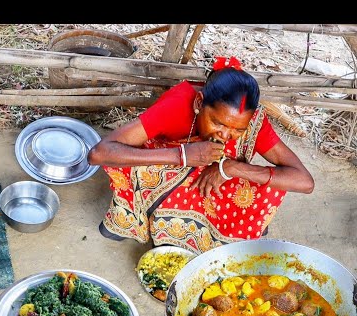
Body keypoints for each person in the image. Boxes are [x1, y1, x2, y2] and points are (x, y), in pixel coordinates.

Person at [87, 56, 315, 254]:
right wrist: (182, 156)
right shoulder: (178, 103)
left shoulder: (254, 120)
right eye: (217, 123)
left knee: (271, 185)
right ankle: (133, 218)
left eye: (238, 129)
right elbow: (100, 153)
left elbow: (304, 182)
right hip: (164, 173)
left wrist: (231, 168)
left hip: (214, 182)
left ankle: (208, 232)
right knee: (128, 162)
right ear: (199, 103)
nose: (226, 135)